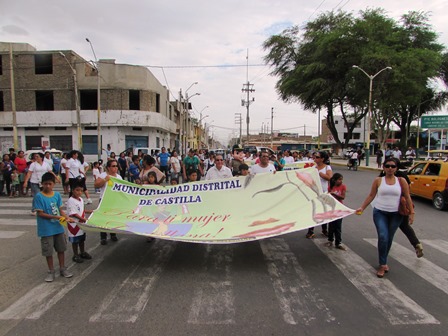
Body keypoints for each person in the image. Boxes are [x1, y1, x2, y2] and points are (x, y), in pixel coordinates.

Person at [356, 157, 414, 278]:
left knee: (389, 238)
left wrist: (411, 213)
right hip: (380, 212)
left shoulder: (401, 180)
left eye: (393, 166)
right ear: (383, 167)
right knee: (383, 236)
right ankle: (382, 264)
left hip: (396, 214)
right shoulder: (378, 180)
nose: (390, 168)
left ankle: (383, 260)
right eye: (387, 166)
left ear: (396, 168)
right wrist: (362, 207)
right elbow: (371, 195)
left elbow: (407, 197)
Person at [33, 172, 74, 282]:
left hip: (58, 228)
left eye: (50, 184)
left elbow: (60, 210)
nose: (47, 186)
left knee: (61, 249)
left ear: (54, 184)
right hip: (46, 230)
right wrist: (56, 217)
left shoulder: (57, 195)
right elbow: (40, 213)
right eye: (45, 184)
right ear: (42, 184)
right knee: (48, 251)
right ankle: (51, 271)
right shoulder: (39, 196)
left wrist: (67, 218)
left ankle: (62, 268)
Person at [379, 166, 424, 258]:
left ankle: (385, 247)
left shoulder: (383, 176)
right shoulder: (403, 176)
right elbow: (408, 190)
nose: (390, 168)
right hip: (403, 206)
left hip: (390, 207)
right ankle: (416, 244)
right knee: (405, 226)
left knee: (386, 228)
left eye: (392, 166)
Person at [94, 159, 122, 245]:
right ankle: (103, 237)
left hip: (114, 201)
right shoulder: (103, 175)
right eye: (113, 166)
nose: (115, 168)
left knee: (112, 218)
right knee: (103, 219)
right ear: (108, 168)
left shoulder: (118, 177)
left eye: (116, 166)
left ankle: (113, 234)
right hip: (104, 200)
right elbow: (96, 185)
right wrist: (105, 180)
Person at [306, 151, 333, 238]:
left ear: (322, 159)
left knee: (323, 211)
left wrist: (319, 173)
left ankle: (324, 229)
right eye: (315, 157)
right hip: (314, 192)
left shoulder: (327, 167)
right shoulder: (313, 167)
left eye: (317, 157)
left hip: (323, 192)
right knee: (313, 211)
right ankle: (310, 231)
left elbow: (329, 178)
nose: (315, 159)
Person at [66, 184, 93, 263]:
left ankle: (82, 252)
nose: (79, 192)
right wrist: (83, 219)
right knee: (75, 240)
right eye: (77, 190)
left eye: (81, 191)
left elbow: (82, 210)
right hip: (74, 224)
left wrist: (90, 212)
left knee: (81, 239)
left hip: (81, 223)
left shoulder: (81, 199)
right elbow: (74, 214)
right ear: (73, 190)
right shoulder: (71, 200)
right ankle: (75, 255)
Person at [325, 173, 347, 250]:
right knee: (331, 225)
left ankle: (338, 242)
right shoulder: (331, 187)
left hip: (339, 208)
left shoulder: (343, 187)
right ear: (335, 180)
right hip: (332, 208)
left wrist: (335, 194)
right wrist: (330, 194)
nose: (340, 181)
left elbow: (343, 197)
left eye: (341, 180)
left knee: (338, 226)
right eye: (339, 179)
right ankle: (330, 239)